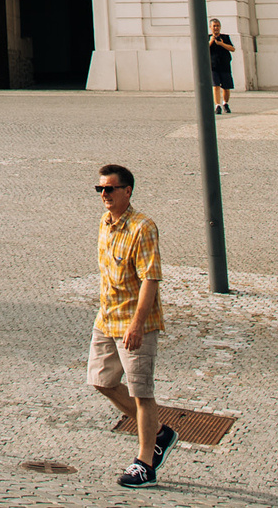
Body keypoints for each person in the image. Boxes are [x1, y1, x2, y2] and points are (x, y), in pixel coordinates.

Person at [90, 164, 177, 489]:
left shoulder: (143, 227)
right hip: (107, 318)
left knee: (142, 394)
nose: (104, 195)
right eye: (100, 189)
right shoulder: (105, 222)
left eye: (110, 189)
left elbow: (150, 278)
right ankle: (159, 433)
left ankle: (145, 464)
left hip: (134, 321)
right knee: (101, 381)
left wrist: (138, 324)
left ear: (128, 191)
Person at [207, 19, 236, 114]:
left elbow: (232, 49)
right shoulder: (207, 37)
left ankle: (225, 103)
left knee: (226, 87)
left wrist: (221, 44)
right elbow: (203, 50)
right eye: (214, 26)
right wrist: (211, 41)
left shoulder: (225, 37)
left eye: (217, 26)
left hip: (225, 65)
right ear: (210, 27)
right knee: (215, 86)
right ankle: (217, 106)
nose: (216, 28)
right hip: (213, 66)